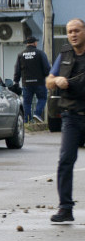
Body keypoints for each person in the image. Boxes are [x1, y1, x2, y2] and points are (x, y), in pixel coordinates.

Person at [46, 18, 85, 223]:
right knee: (65, 160)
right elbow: (48, 81)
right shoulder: (64, 54)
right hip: (71, 116)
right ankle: (65, 208)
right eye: (70, 31)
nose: (73, 34)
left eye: (77, 30)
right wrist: (56, 81)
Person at [13, 35, 51, 122]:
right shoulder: (40, 53)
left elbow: (17, 69)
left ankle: (27, 120)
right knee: (42, 98)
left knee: (27, 102)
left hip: (26, 83)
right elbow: (46, 68)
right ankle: (37, 114)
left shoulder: (20, 54)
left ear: (27, 44)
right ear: (34, 43)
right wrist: (46, 75)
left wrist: (16, 81)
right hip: (39, 82)